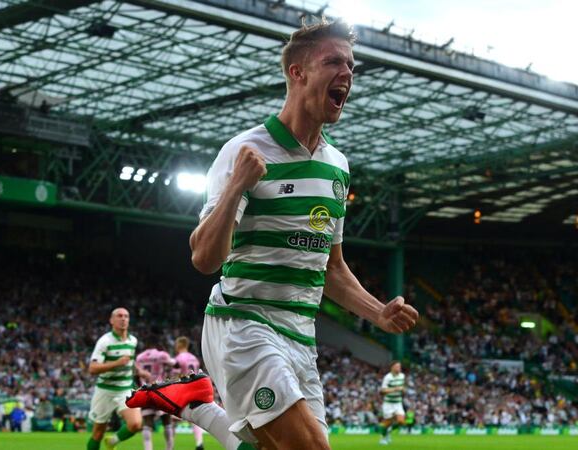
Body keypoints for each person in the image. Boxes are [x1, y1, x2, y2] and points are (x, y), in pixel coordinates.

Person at [127, 18, 419, 450]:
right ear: (296, 73)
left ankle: (195, 403)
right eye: (334, 62)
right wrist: (237, 187)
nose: (347, 74)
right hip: (244, 322)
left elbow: (331, 266)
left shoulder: (337, 166)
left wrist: (377, 313)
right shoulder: (245, 151)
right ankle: (197, 403)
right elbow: (204, 259)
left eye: (352, 66)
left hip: (301, 334)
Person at [86, 307, 149, 450]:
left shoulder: (133, 340)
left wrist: (139, 371)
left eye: (126, 316)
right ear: (111, 320)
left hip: (125, 389)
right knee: (97, 434)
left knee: (135, 424)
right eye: (119, 316)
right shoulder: (104, 341)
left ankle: (112, 442)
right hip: (105, 391)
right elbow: (92, 368)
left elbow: (129, 361)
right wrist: (116, 363)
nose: (123, 319)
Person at [136, 345, 176, 450]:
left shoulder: (140, 357)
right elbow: (174, 363)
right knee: (167, 421)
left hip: (145, 391)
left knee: (147, 423)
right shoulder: (161, 355)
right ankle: (169, 448)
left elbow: (136, 373)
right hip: (160, 391)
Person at [172, 337, 205, 450]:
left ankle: (169, 447)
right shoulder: (194, 358)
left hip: (183, 391)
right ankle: (199, 443)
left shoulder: (178, 358)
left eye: (176, 344)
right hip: (195, 390)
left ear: (180, 345)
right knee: (195, 418)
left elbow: (175, 376)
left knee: (172, 418)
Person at [378, 361, 406, 445]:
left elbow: (402, 387)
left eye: (399, 366)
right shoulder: (387, 377)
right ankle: (383, 438)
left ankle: (389, 431)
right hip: (388, 403)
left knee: (401, 421)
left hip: (398, 402)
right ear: (392, 367)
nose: (399, 368)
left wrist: (403, 390)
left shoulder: (402, 376)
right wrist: (394, 389)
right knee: (387, 422)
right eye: (397, 366)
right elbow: (382, 391)